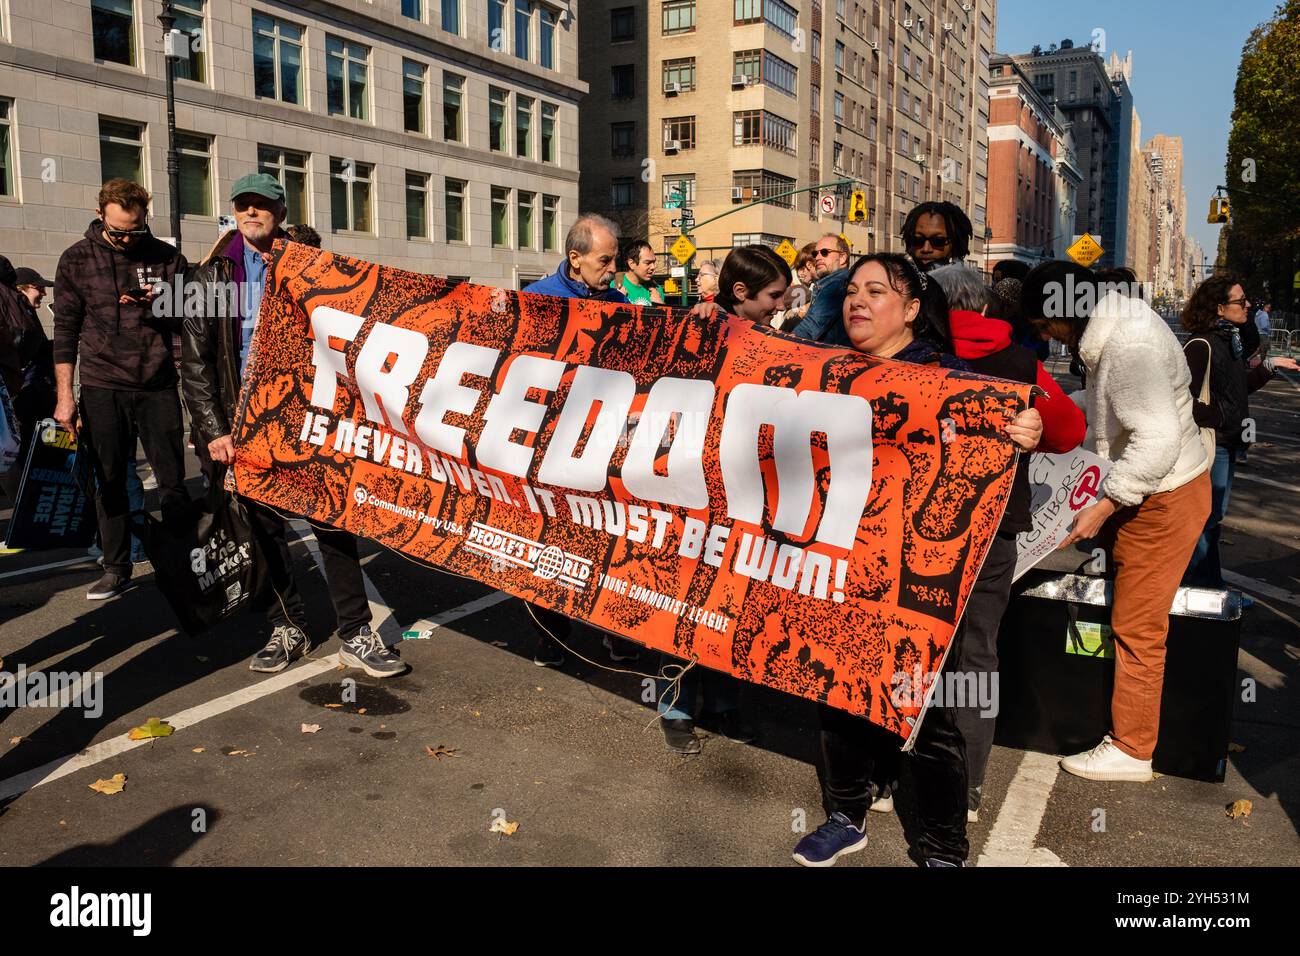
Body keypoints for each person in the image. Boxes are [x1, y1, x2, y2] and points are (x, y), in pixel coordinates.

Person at [792, 254, 1043, 867]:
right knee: (840, 686)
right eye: (851, 291)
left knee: (927, 705)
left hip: (919, 573)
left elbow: (1013, 420)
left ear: (910, 310)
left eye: (876, 291)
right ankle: (846, 815)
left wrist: (1022, 425)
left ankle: (942, 846)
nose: (857, 301)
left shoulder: (949, 377)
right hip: (842, 560)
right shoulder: (822, 370)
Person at [182, 173, 404, 678]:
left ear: (281, 212)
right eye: (244, 205)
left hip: (312, 415)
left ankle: (355, 631)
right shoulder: (209, 277)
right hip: (243, 421)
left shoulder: (313, 266)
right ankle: (288, 626)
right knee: (261, 530)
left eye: (261, 205)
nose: (251, 213)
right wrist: (215, 429)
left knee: (333, 521)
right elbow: (195, 364)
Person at [1022, 260, 1211, 783]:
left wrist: (1103, 505)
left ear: (1064, 313)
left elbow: (1156, 440)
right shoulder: (1114, 327)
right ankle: (1125, 725)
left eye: (1043, 325)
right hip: (1159, 489)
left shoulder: (1129, 347)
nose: (1044, 335)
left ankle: (1132, 749)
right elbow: (1113, 409)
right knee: (1129, 614)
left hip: (1165, 495)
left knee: (1137, 626)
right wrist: (1062, 409)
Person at [932, 264, 1085, 818]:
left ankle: (895, 768)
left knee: (908, 642)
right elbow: (1070, 431)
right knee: (976, 652)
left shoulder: (911, 357)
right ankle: (967, 782)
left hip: (913, 527)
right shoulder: (1022, 363)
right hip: (993, 528)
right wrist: (1038, 428)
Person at [52, 179, 188, 600]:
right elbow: (64, 330)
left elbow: (188, 320)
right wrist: (64, 397)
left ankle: (184, 562)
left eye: (135, 230)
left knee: (172, 480)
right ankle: (116, 566)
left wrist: (159, 305)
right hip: (101, 384)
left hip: (158, 384)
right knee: (108, 479)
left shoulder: (168, 258)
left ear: (146, 218)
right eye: (118, 231)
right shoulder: (76, 259)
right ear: (100, 218)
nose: (127, 238)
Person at [521, 213, 639, 667]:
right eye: (605, 261)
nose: (613, 269)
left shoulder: (620, 302)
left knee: (608, 540)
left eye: (615, 261)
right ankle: (552, 635)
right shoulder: (534, 300)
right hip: (546, 446)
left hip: (603, 444)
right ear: (575, 257)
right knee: (549, 542)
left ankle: (614, 629)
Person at [1179, 276, 1266, 589]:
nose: (1247, 306)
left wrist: (1268, 370)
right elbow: (1179, 396)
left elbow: (1238, 390)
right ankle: (1199, 589)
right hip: (1211, 443)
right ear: (1219, 307)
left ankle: (1209, 586)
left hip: (1229, 442)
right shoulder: (1201, 345)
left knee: (1213, 520)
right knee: (1205, 519)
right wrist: (1215, 417)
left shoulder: (1232, 341)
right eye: (1240, 302)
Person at [1, 257, 56, 502]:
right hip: (21, 395)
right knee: (15, 456)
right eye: (38, 286)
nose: (43, 291)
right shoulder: (16, 309)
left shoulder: (22, 312)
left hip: (24, 394)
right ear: (21, 289)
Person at [788, 233, 853, 345]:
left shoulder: (836, 284)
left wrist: (783, 345)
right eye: (815, 253)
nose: (817, 258)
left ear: (842, 258)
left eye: (825, 252)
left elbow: (809, 329)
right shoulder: (829, 283)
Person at [714, 244, 791, 326]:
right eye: (774, 295)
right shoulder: (706, 330)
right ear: (740, 291)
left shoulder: (765, 333)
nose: (782, 306)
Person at [902, 201, 973, 272]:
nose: (926, 249)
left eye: (938, 241)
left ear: (955, 244)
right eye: (917, 240)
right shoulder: (895, 279)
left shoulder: (965, 282)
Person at [778, 242, 819, 328]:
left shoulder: (812, 284)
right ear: (809, 265)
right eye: (800, 269)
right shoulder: (792, 282)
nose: (801, 274)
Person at [615, 239, 664, 305]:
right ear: (632, 264)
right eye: (648, 263)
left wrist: (660, 306)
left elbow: (663, 315)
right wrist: (618, 301)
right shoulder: (614, 286)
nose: (653, 267)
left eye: (653, 262)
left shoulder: (657, 290)